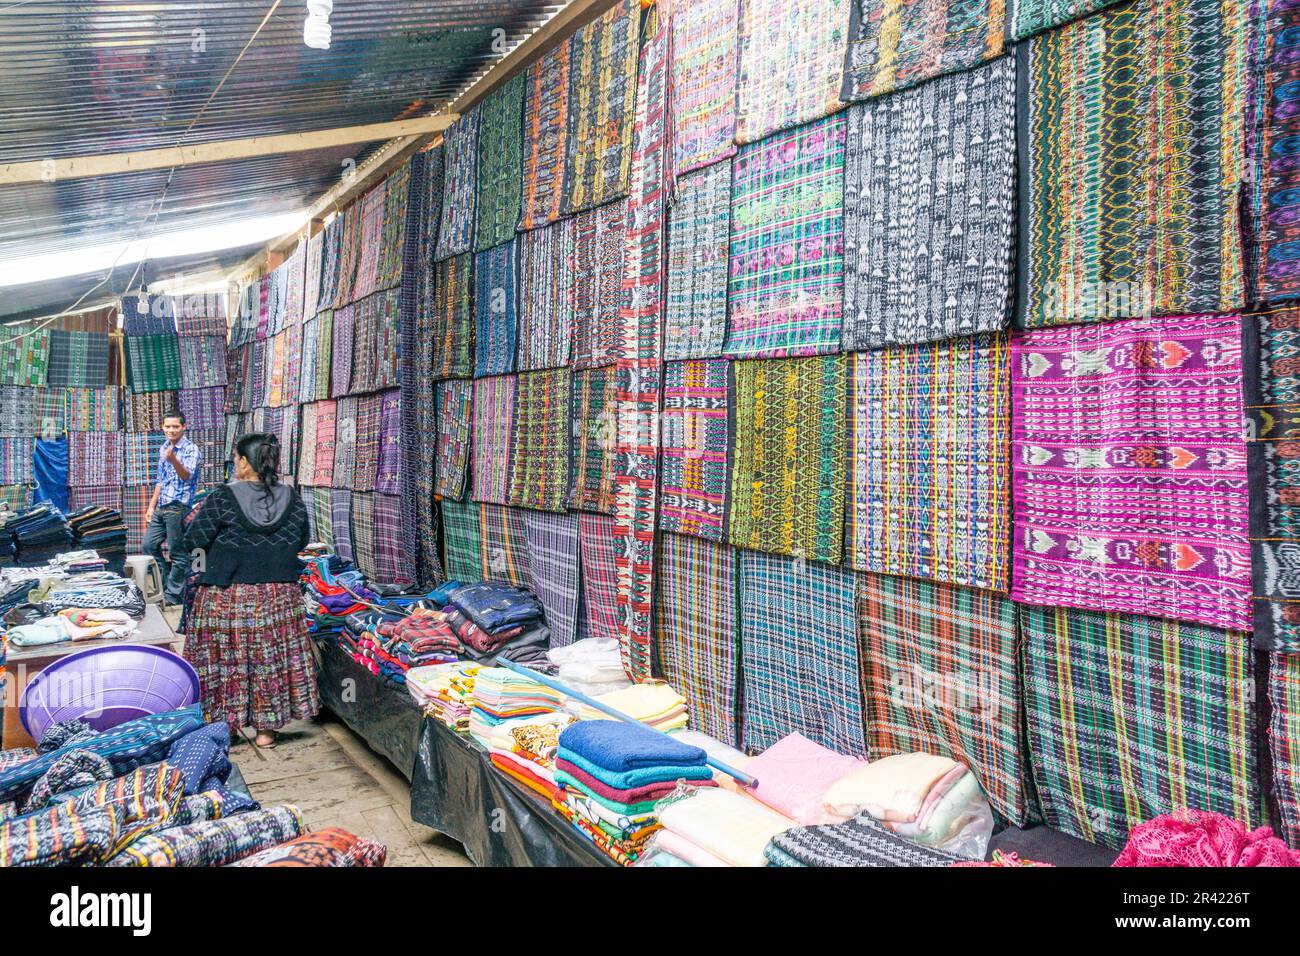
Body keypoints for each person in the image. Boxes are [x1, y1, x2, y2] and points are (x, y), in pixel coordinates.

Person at [182, 432, 318, 748]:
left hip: (224, 595)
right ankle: (266, 732)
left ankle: (224, 727)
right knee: (267, 663)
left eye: (236, 458)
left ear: (244, 462)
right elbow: (301, 541)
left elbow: (193, 541)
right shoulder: (292, 498)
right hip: (278, 598)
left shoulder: (222, 497)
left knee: (224, 662)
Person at [143, 411, 201, 605]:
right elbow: (160, 480)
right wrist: (151, 507)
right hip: (162, 507)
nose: (171, 430)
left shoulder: (191, 449)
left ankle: (172, 595)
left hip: (178, 507)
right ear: (162, 427)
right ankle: (166, 585)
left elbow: (187, 476)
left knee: (177, 553)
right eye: (167, 426)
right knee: (148, 546)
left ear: (183, 427)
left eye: (175, 426)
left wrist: (173, 459)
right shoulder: (164, 447)